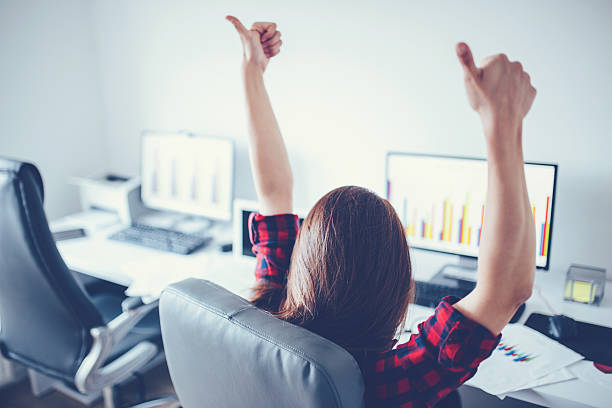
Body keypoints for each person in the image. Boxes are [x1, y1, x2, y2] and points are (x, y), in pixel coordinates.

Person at [226, 15, 536, 408]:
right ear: (400, 289)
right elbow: (508, 289)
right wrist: (504, 122)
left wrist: (251, 68)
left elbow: (273, 192)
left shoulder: (268, 315)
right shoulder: (381, 382)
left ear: (302, 260)